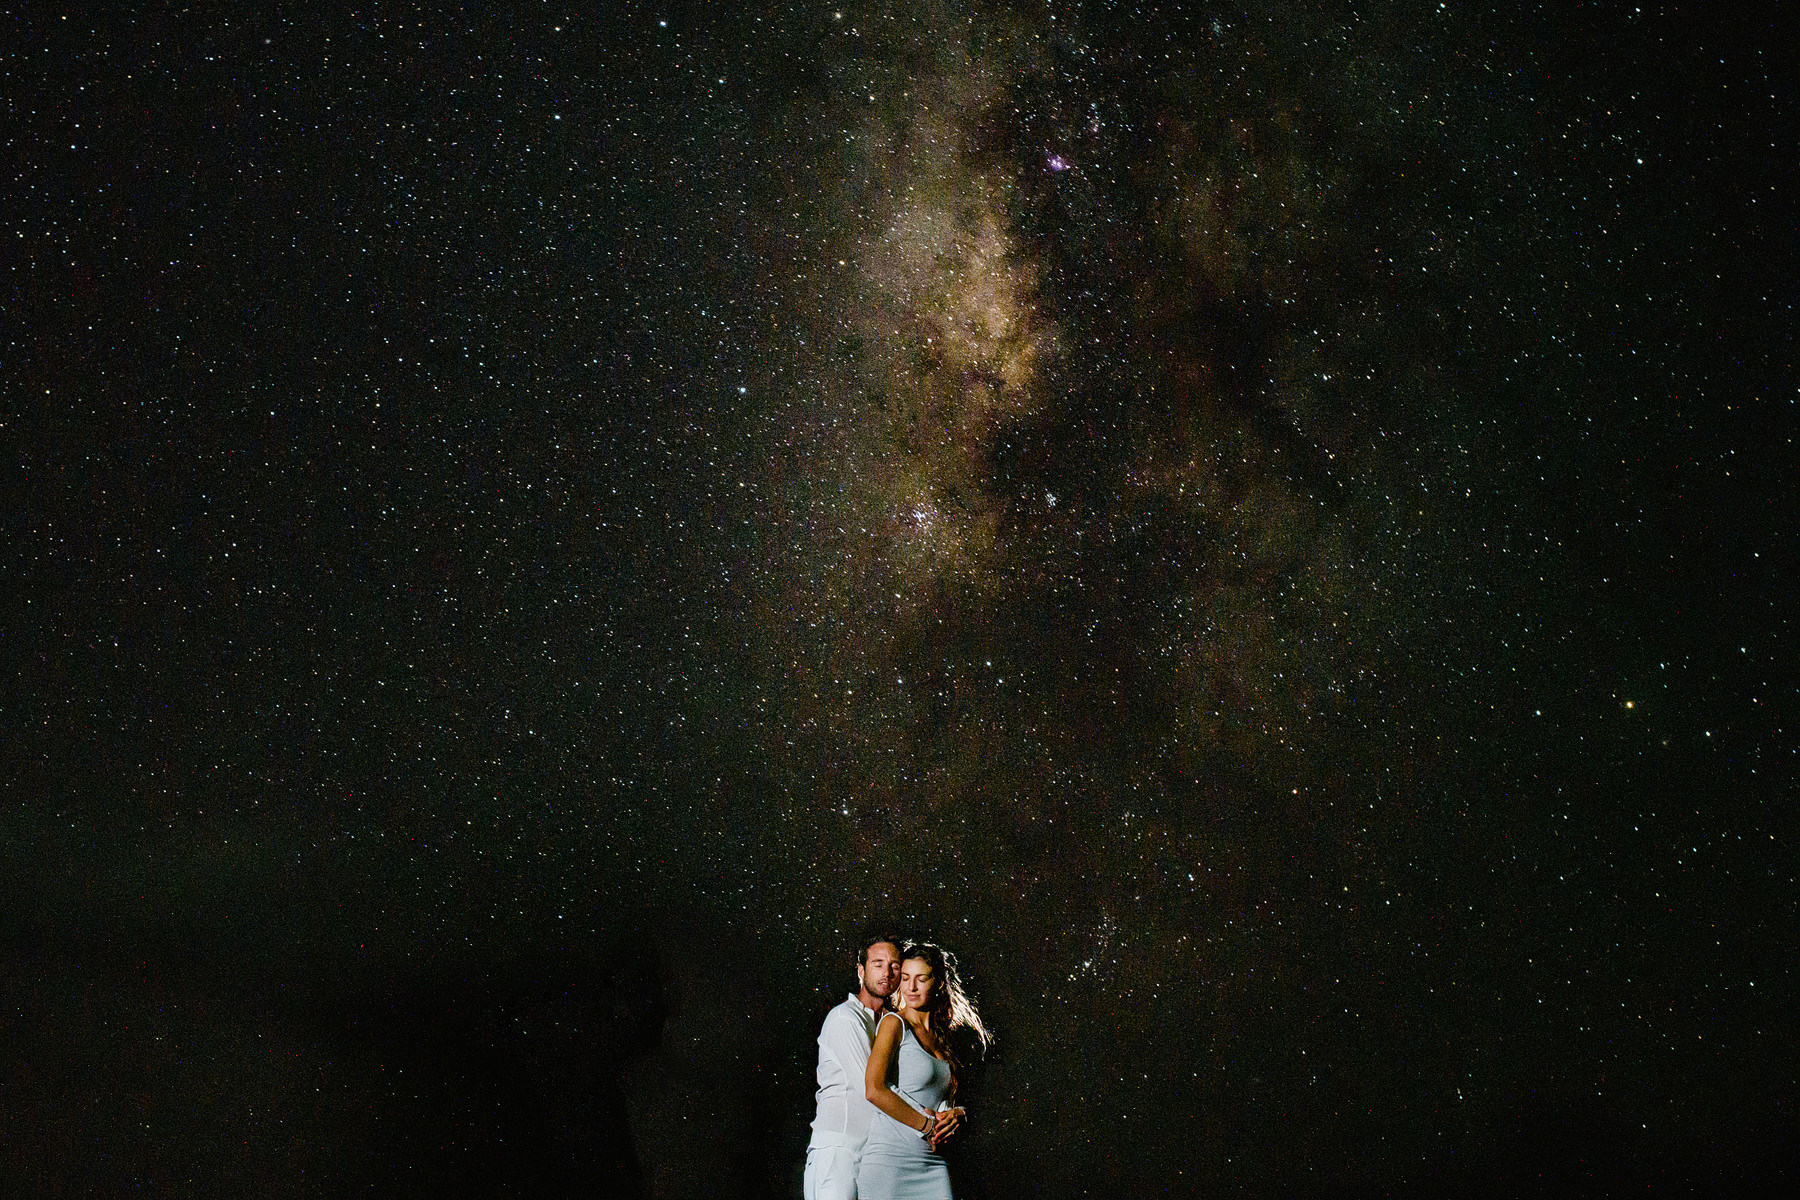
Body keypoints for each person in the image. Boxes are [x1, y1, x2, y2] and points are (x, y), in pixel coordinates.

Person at [857, 943, 989, 1200]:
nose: (911, 987)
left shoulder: (945, 1039)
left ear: (938, 982)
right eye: (905, 978)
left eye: (921, 978)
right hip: (890, 1162)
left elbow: (945, 1099)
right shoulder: (894, 1024)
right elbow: (874, 1089)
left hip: (933, 1163)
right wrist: (929, 1127)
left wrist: (958, 1114)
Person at [805, 934, 903, 1200]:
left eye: (895, 965)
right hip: (838, 1154)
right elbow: (872, 1088)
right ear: (861, 971)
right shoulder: (843, 1018)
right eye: (878, 963)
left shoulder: (890, 1024)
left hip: (873, 1158)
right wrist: (928, 1121)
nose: (887, 972)